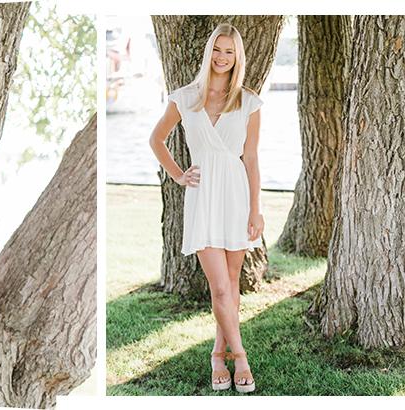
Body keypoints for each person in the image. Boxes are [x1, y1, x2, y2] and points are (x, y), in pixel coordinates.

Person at [149, 23, 262, 394]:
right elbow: (156, 139)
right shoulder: (185, 97)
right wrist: (179, 176)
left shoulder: (248, 100)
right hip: (202, 198)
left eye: (229, 52)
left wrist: (255, 210)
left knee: (231, 285)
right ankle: (240, 357)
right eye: (217, 49)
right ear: (209, 51)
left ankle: (218, 353)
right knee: (219, 289)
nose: (222, 57)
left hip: (236, 196)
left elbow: (251, 158)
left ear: (237, 57)